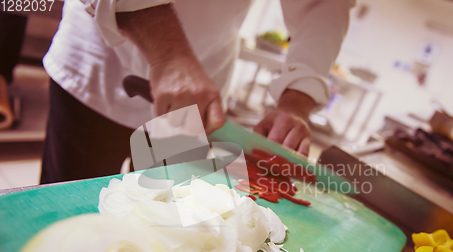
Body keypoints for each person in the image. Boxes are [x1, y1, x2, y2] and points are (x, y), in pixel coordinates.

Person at [40, 0, 353, 184]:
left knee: (166, 219)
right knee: (65, 218)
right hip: (99, 65)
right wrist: (168, 52)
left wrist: (297, 98)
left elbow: (324, 5)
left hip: (202, 91)